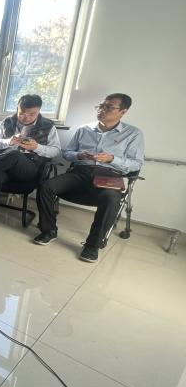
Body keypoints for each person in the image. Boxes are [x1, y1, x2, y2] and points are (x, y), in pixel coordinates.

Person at [34, 93, 144, 262]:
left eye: (109, 107)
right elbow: (67, 153)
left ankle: (92, 245)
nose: (102, 110)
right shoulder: (84, 129)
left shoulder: (133, 134)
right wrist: (79, 155)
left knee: (111, 198)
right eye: (101, 106)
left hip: (109, 176)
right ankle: (48, 230)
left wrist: (112, 159)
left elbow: (136, 164)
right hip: (80, 172)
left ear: (123, 112)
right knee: (46, 186)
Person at [0, 94, 61, 234]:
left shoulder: (48, 126)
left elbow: (56, 150)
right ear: (17, 108)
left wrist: (37, 147)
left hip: (30, 168)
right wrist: (8, 142)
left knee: (14, 154)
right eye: (22, 113)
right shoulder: (7, 122)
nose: (26, 117)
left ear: (39, 111)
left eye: (32, 114)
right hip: (2, 166)